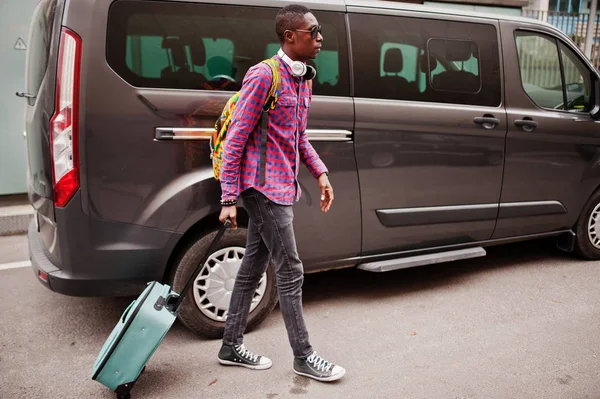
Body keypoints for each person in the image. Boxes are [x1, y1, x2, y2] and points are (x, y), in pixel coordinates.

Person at [216, 4, 346, 383]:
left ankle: (230, 346)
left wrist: (320, 172)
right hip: (262, 190)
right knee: (290, 269)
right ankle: (304, 356)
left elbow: (298, 136)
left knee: (253, 266)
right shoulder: (264, 76)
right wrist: (227, 198)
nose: (320, 38)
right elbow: (236, 139)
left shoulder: (303, 79)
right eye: (313, 31)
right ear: (290, 36)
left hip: (283, 186)